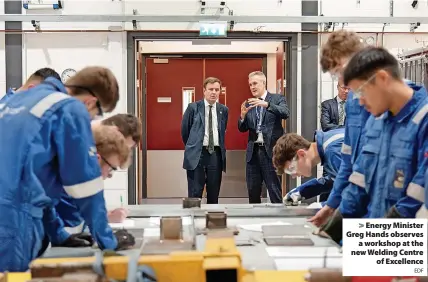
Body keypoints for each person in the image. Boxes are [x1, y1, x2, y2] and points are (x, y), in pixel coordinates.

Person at [0, 66, 134, 272]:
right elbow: (85, 184)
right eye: (95, 114)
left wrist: (59, 235)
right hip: (12, 221)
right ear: (90, 102)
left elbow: (34, 185)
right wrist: (108, 240)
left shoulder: (17, 100)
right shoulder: (70, 108)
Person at [322, 47, 428, 244]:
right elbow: (359, 182)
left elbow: (416, 201)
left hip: (406, 247)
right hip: (375, 235)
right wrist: (332, 231)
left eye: (361, 91)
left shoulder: (423, 120)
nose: (359, 102)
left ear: (382, 78)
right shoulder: (376, 121)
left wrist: (375, 245)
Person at [308, 30, 370, 227]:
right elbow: (349, 161)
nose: (342, 79)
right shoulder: (353, 101)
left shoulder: (408, 107)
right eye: (337, 74)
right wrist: (332, 205)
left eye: (342, 69)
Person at [56, 113, 142, 231]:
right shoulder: (73, 145)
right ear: (114, 132)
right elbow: (70, 213)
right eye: (121, 145)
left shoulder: (84, 149)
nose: (109, 176)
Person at [238, 71, 289, 204]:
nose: (252, 87)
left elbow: (285, 113)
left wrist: (266, 105)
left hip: (270, 152)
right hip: (253, 153)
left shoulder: (277, 99)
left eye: (255, 83)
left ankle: (278, 220)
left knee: (274, 189)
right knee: (253, 191)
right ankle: (254, 221)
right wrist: (242, 117)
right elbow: (242, 129)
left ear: (263, 83)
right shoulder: (249, 104)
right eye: (250, 85)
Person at [181, 77, 229, 204]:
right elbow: (185, 131)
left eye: (217, 90)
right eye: (210, 89)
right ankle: (193, 220)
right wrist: (193, 146)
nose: (213, 92)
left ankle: (212, 221)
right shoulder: (193, 108)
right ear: (204, 91)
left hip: (215, 154)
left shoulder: (223, 110)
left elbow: (222, 131)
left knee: (213, 193)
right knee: (195, 192)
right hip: (197, 154)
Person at [272, 128, 344, 206]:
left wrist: (325, 206)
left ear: (301, 154)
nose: (293, 176)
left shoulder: (333, 150)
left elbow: (355, 192)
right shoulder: (328, 148)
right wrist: (300, 192)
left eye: (291, 169)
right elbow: (334, 181)